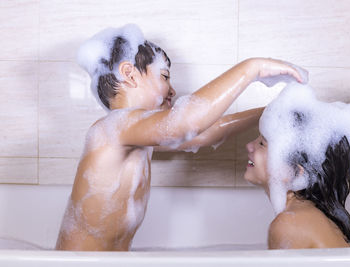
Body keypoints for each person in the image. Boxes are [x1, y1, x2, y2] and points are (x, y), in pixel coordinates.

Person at [55, 24, 304, 251]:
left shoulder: (133, 135)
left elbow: (204, 133)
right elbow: (186, 124)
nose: (172, 90)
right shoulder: (112, 128)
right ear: (129, 74)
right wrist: (253, 68)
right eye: (164, 77)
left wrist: (267, 111)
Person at [244, 82, 350, 249]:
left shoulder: (289, 224)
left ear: (297, 174)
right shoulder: (310, 214)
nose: (249, 145)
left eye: (262, 144)